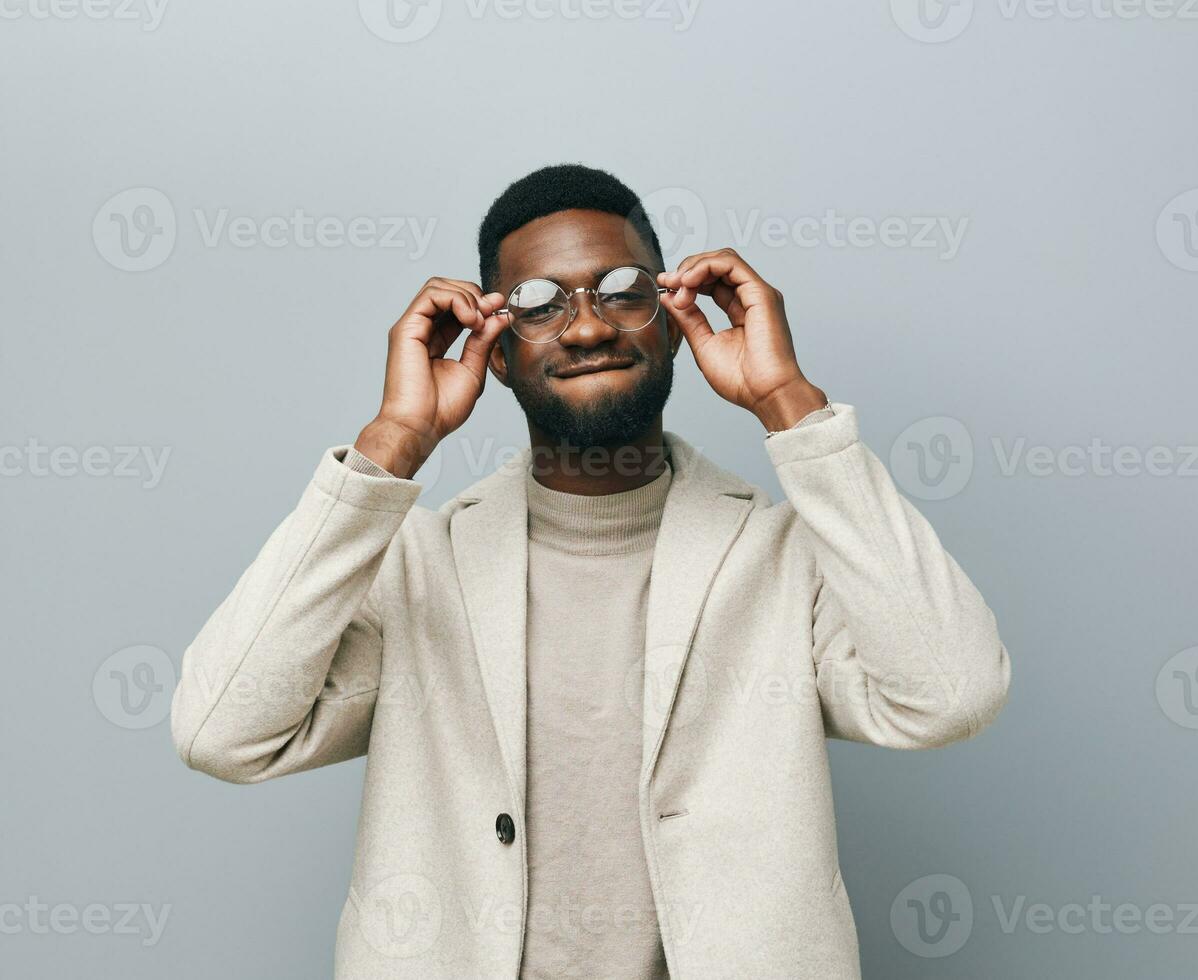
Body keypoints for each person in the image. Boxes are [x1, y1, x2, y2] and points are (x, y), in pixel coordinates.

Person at [170, 163, 1012, 979]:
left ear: (676, 319)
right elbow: (223, 732)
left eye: (622, 291)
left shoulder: (783, 557)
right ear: (494, 351)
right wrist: (393, 441)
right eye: (537, 305)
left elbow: (951, 695)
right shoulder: (421, 567)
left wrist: (788, 401)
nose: (586, 327)